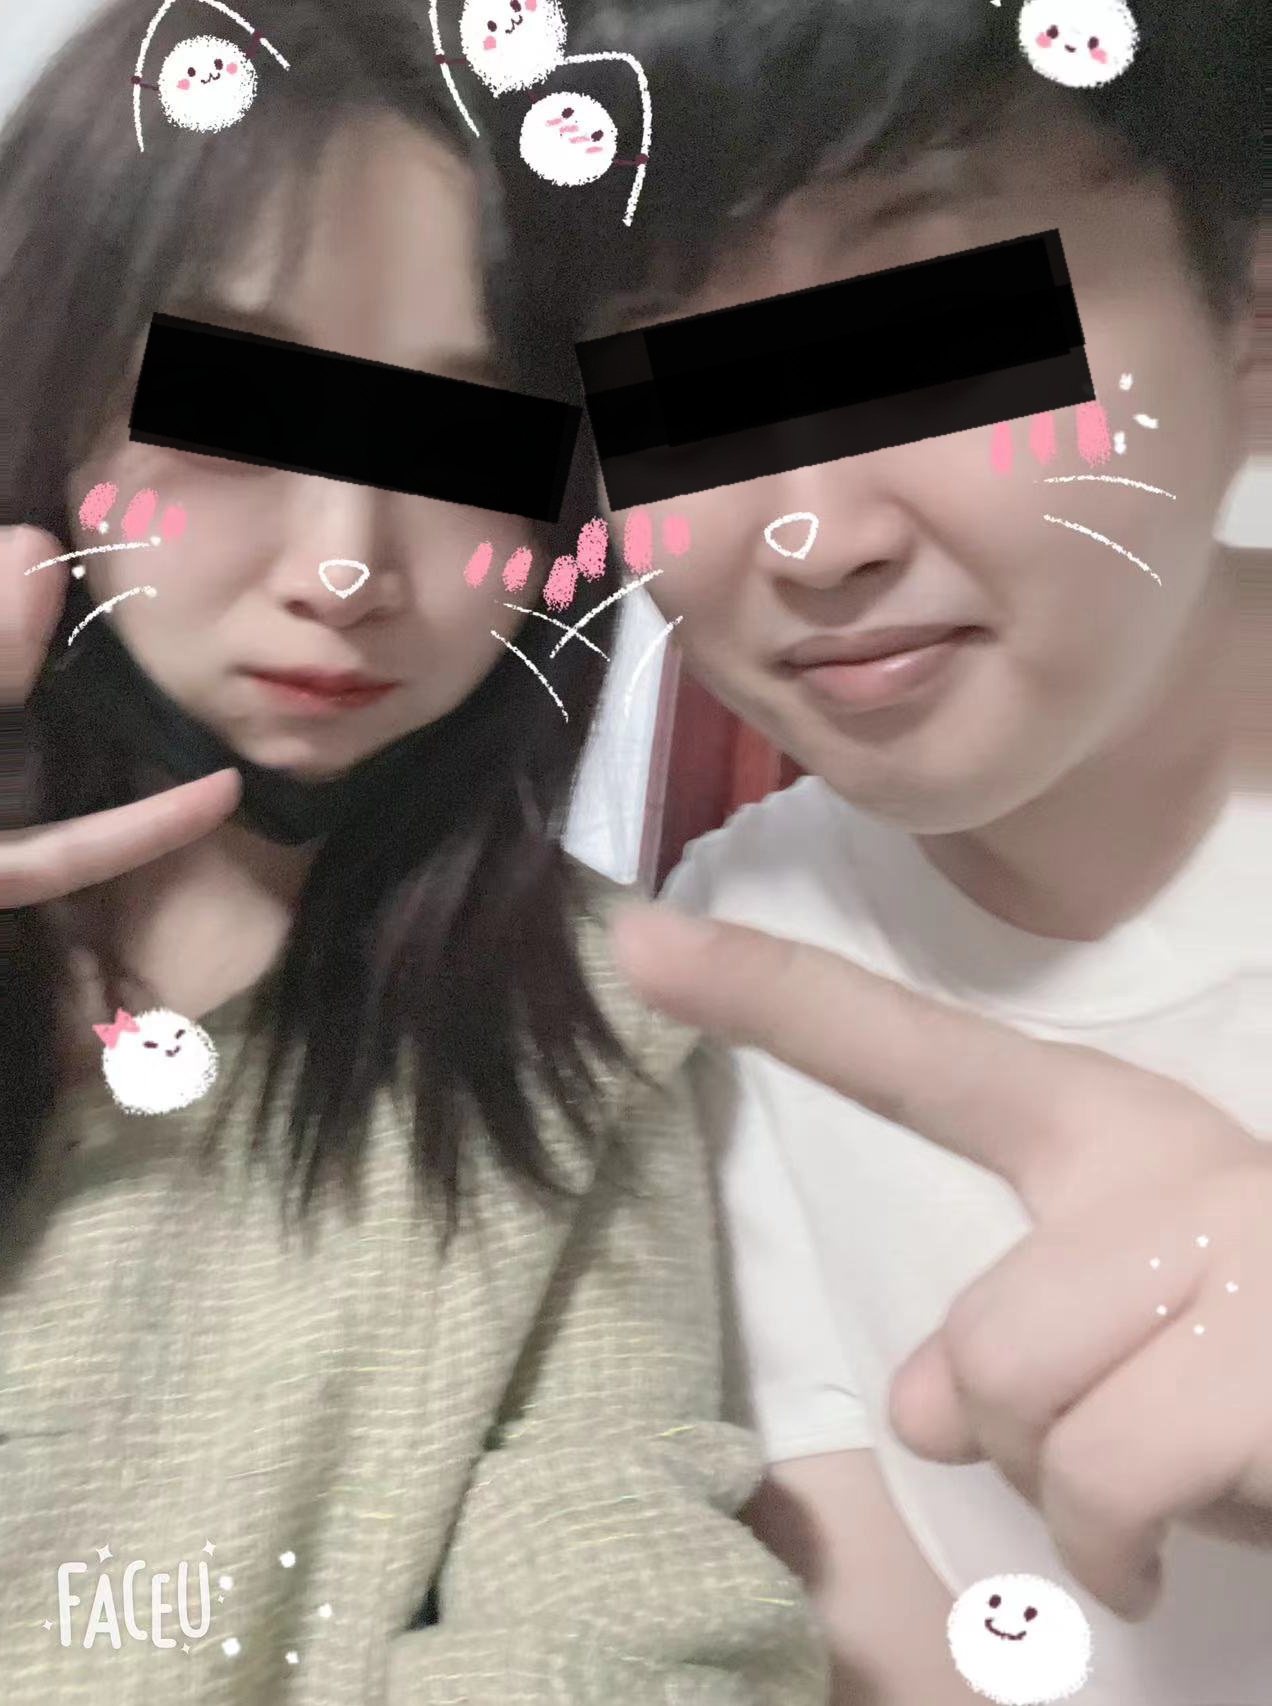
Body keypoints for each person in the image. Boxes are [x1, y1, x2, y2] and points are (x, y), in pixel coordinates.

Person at [0, 1, 831, 1700]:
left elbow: (627, 1613)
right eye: (236, 411)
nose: (346, 566)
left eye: (462, 441)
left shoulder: (593, 1019)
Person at [525, 0, 1269, 1700]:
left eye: (938, 342)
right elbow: (873, 1619)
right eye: (680, 393)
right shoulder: (736, 943)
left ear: (1251, 317)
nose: (811, 535)